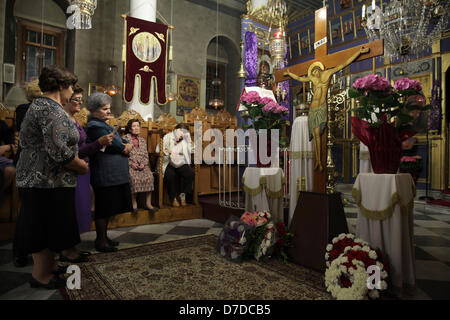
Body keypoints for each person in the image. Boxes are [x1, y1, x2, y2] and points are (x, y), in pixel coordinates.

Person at [15, 65, 89, 289]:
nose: (72, 93)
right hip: (43, 180)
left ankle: (50, 267)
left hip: (49, 180)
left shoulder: (45, 106)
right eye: (70, 87)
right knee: (41, 228)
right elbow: (59, 152)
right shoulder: (49, 109)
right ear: (60, 86)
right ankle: (40, 276)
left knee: (49, 227)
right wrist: (82, 166)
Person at [284, 46, 369, 171]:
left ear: (319, 70)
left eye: (314, 72)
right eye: (312, 73)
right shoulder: (313, 78)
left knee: (318, 135)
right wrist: (289, 73)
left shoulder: (327, 74)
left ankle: (319, 160)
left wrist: (358, 52)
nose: (313, 75)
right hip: (312, 109)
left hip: (321, 107)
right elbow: (301, 78)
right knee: (314, 135)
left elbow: (344, 63)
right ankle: (317, 160)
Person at [60, 85, 114, 262]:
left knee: (78, 209)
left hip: (82, 169)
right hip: (73, 168)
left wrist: (97, 144)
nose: (79, 103)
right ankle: (67, 250)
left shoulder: (74, 120)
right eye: (76, 99)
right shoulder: (63, 120)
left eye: (81, 100)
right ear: (65, 99)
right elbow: (73, 151)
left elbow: (81, 148)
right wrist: (98, 143)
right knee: (71, 210)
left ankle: (71, 247)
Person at [86, 92, 133, 253]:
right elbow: (114, 144)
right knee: (103, 208)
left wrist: (126, 143)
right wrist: (125, 147)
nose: (108, 111)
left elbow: (119, 140)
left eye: (109, 108)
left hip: (114, 174)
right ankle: (100, 240)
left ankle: (104, 237)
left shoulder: (104, 124)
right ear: (94, 110)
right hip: (105, 174)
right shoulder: (94, 126)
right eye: (104, 109)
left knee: (109, 208)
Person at [12, 79, 42, 268]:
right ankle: (20, 252)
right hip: (28, 165)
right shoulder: (24, 109)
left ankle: (36, 251)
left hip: (37, 165)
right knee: (28, 211)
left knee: (37, 211)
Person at [123, 119, 157, 213]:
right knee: (134, 178)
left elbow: (146, 155)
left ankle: (148, 204)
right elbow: (122, 155)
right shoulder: (125, 138)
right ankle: (134, 204)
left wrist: (143, 164)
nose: (136, 128)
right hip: (130, 165)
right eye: (134, 126)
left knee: (150, 177)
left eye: (138, 126)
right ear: (130, 129)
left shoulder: (142, 140)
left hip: (142, 165)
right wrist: (131, 164)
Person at [161, 123, 194, 207]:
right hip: (168, 162)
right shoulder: (167, 137)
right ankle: (173, 198)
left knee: (189, 173)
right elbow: (159, 149)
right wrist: (170, 152)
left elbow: (192, 149)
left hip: (180, 163)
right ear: (175, 130)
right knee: (170, 175)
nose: (182, 134)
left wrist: (175, 152)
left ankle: (183, 195)